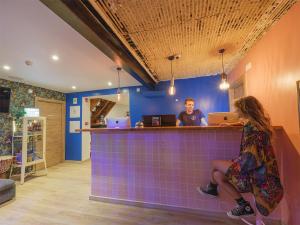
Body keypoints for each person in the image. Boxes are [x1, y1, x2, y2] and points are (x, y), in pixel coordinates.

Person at [197, 96, 283, 219]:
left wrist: (237, 163)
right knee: (217, 175)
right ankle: (244, 206)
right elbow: (245, 123)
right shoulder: (259, 123)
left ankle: (211, 189)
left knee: (214, 163)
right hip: (257, 170)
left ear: (245, 110)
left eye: (238, 110)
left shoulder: (253, 129)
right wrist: (232, 124)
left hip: (252, 175)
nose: (236, 112)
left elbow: (250, 161)